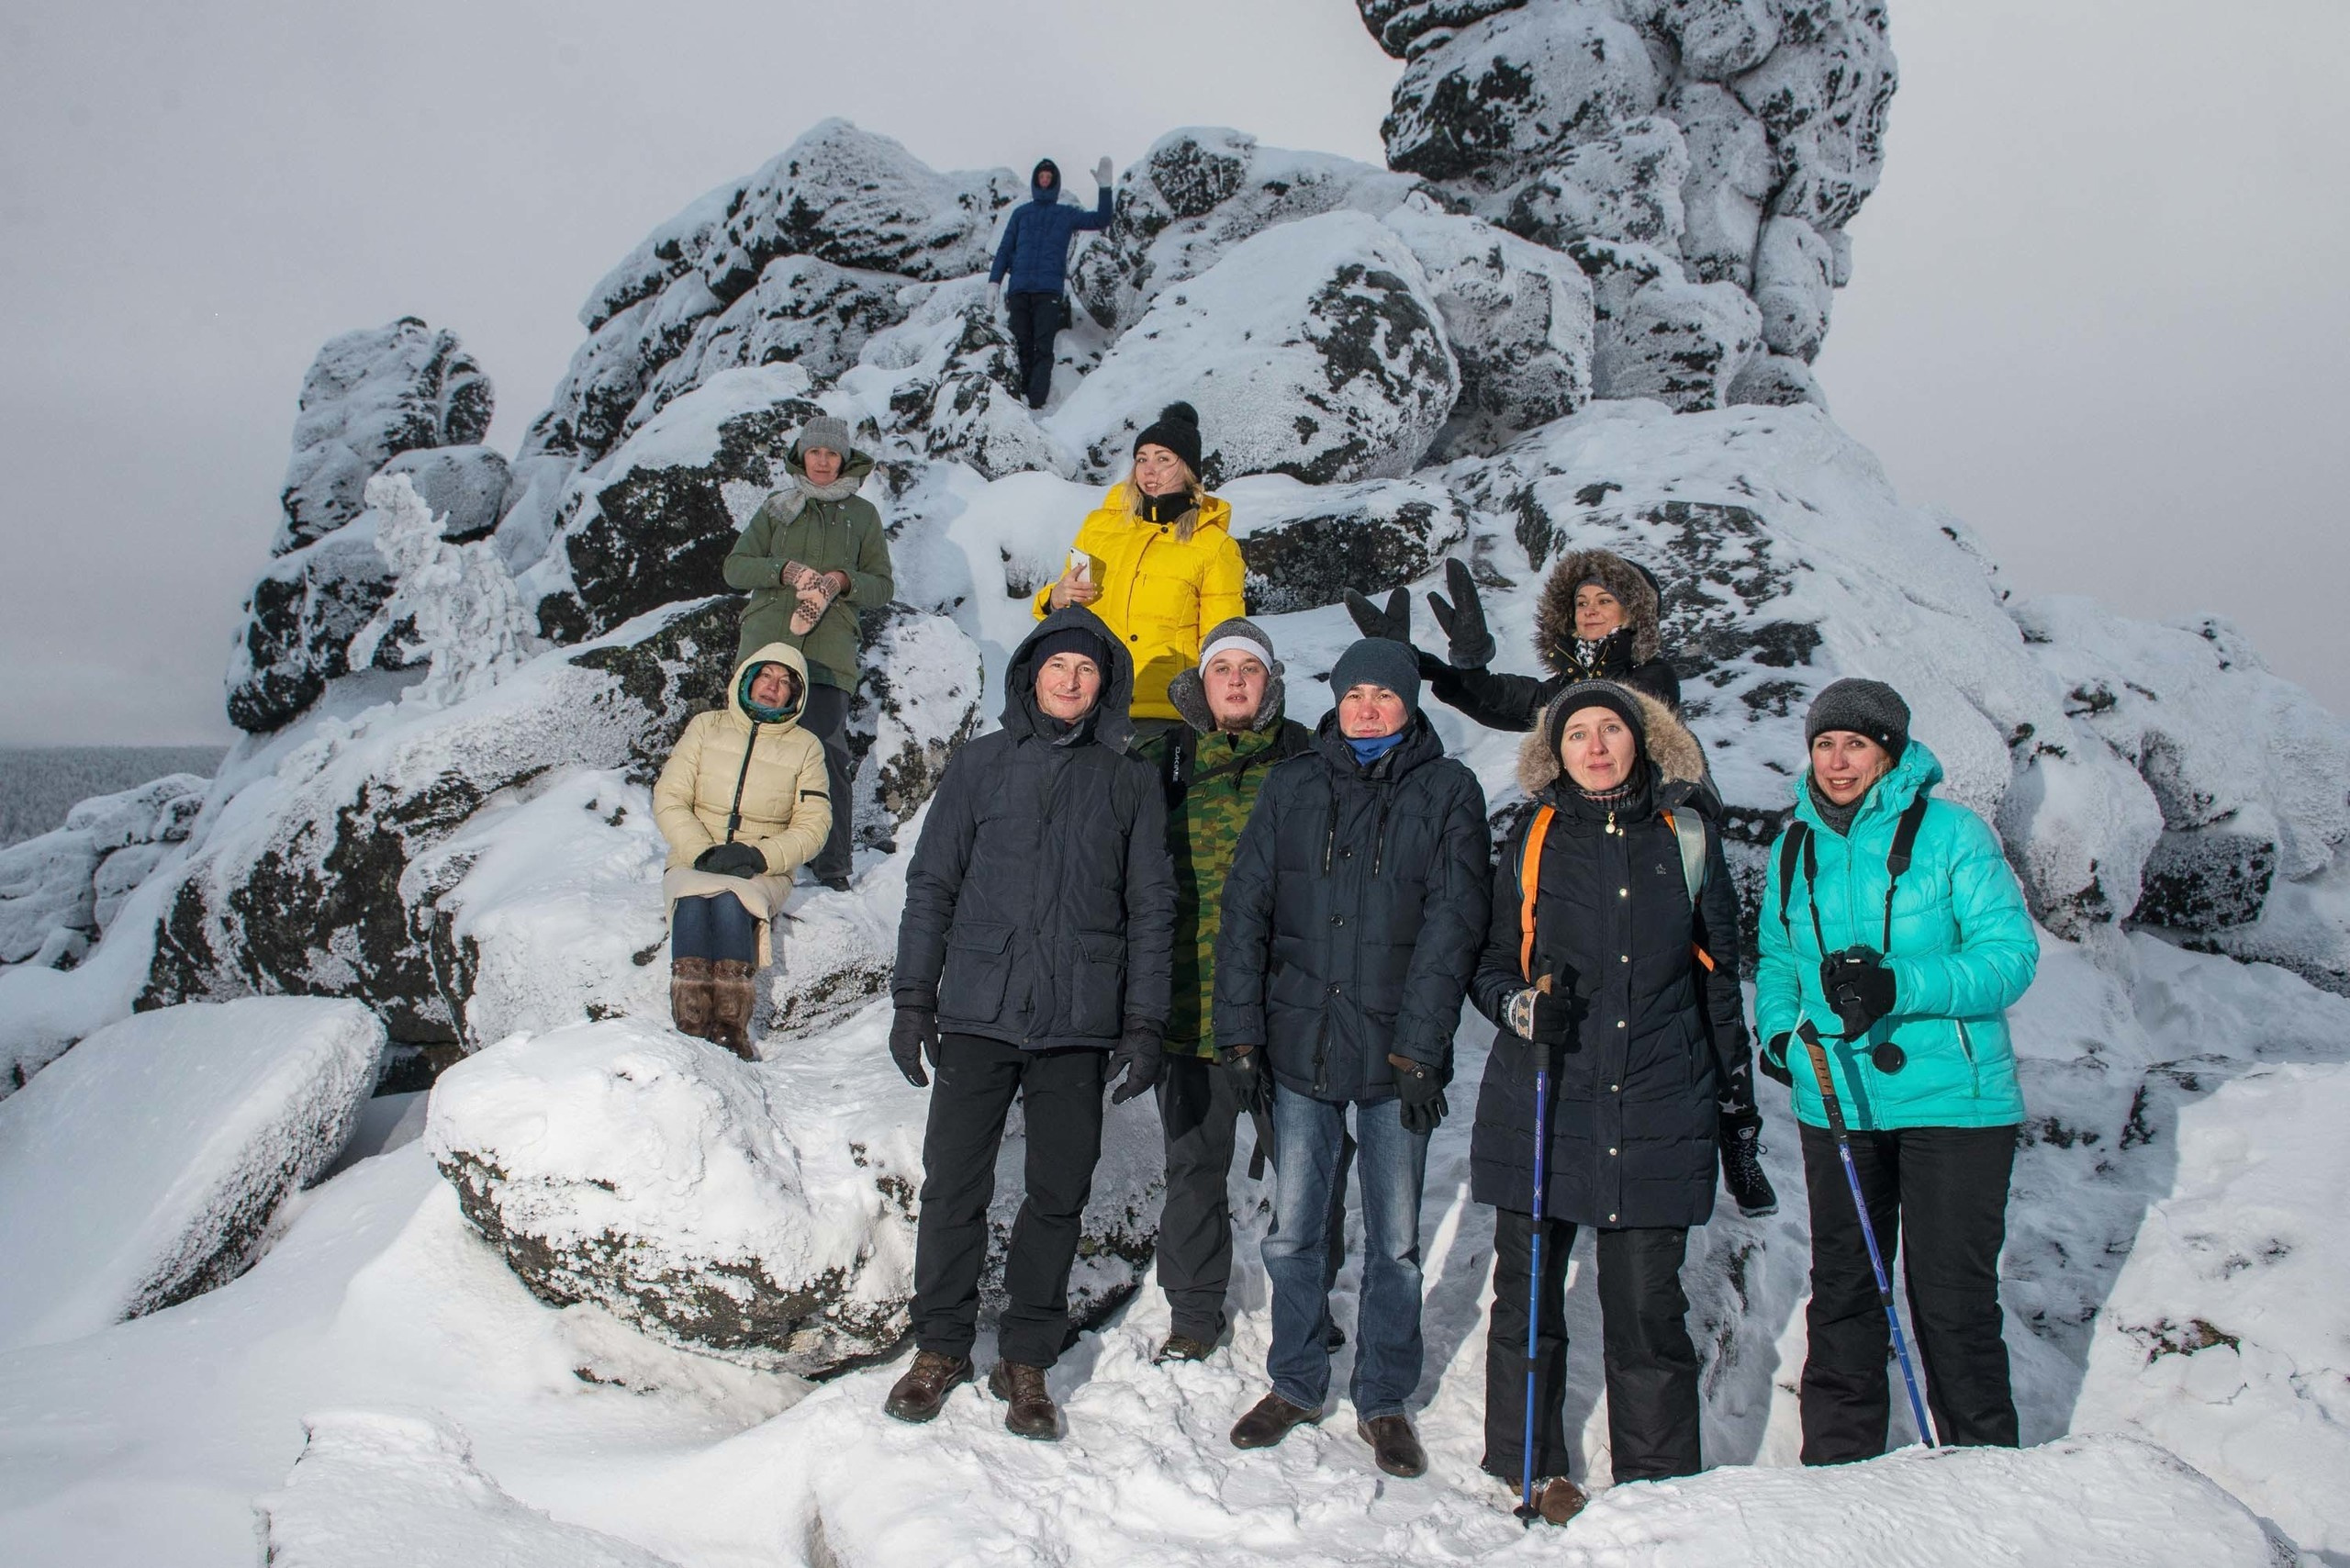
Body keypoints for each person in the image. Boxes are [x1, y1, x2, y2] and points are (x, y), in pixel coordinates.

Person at [1348, 550, 1776, 1221]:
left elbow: (1577, 710)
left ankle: (1737, 1132)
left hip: (1658, 843)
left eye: (1606, 600)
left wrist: (1465, 676)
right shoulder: (1570, 682)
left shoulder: (1650, 676)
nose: (1591, 611)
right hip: (1586, 846)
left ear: (1636, 612)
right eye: (1581, 603)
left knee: (1707, 990)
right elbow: (1514, 700)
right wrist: (1425, 666)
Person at [1466, 680, 1757, 1524]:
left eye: (1610, 731)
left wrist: (1734, 1099)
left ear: (1642, 740)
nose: (1594, 749)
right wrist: (1518, 1006)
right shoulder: (1534, 835)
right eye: (1576, 735)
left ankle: (1659, 1486)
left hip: (1660, 1097)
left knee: (1646, 1307)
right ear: (1554, 752)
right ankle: (1529, 1466)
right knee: (1528, 1297)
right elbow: (1490, 963)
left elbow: (1719, 980)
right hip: (1545, 1091)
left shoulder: (1687, 836)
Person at [881, 607, 1175, 1443]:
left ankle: (1027, 1359)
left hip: (1078, 1018)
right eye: (1058, 667)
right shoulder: (980, 765)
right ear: (1031, 676)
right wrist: (914, 1000)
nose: (1071, 680)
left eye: (1087, 670)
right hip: (980, 1007)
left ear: (1104, 684)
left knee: (1058, 1193)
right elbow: (932, 885)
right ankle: (941, 1346)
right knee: (953, 1186)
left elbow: (1152, 904)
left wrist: (1144, 1021)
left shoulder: (1128, 778)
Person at [1213, 638, 1491, 1480]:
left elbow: (1453, 925)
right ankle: (1296, 1381)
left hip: (1398, 1055)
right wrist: (1240, 1033)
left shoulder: (1448, 790)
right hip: (1302, 1044)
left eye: (1384, 695)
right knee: (1295, 1232)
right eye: (1354, 693)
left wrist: (1423, 1048)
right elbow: (1247, 907)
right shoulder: (1294, 783)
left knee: (1395, 1244)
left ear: (1410, 703)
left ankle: (1383, 1397)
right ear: (1336, 701)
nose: (1368, 708)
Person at [1755, 678, 2039, 1464]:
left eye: (1856, 744)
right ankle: (1838, 1474)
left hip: (1956, 1104)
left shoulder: (1953, 835)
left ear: (1890, 751)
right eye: (1824, 744)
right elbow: (1777, 960)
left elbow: (2010, 958)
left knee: (1952, 1301)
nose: (1838, 761)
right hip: (1838, 1097)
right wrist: (1780, 1037)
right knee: (1844, 1293)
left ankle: (1984, 1475)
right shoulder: (1794, 847)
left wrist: (1898, 984)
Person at [1133, 619, 1314, 1364]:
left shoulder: (1307, 759)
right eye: (1222, 668)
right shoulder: (1162, 759)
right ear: (1199, 683)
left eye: (1250, 668)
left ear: (1269, 682)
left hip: (1286, 1011)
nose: (1236, 680)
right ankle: (1194, 1311)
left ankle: (1307, 1305)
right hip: (1189, 1006)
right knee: (1193, 1168)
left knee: (1308, 1172)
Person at [722, 416, 893, 892]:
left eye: (831, 453)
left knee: (826, 755)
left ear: (844, 460)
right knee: (751, 749)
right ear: (802, 455)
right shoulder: (778, 507)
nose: (822, 461)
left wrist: (842, 580)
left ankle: (832, 866)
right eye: (814, 451)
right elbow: (735, 568)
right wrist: (783, 571)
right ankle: (742, 851)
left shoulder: (863, 516)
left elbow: (882, 586)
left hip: (827, 654)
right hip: (768, 646)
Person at [652, 644, 833, 1058]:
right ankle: (691, 1023)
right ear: (747, 679)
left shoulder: (805, 746)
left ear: (795, 695)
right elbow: (670, 796)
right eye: (766, 675)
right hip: (695, 856)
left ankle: (730, 1029)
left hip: (762, 867)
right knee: (693, 900)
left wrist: (758, 856)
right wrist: (702, 851)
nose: (773, 686)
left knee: (732, 902)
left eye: (785, 681)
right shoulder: (706, 727)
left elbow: (814, 824)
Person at [1036, 402, 1246, 737]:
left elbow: (1224, 644)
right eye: (1142, 459)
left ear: (1188, 470)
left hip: (1169, 713)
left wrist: (1223, 721)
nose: (1150, 470)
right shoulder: (1098, 528)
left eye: (1164, 459)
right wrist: (1055, 599)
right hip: (1095, 705)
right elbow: (1068, 618)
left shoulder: (1214, 545)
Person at [990, 155, 1116, 409]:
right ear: (1036, 181)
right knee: (1020, 345)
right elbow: (1004, 250)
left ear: (1055, 182)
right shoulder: (1021, 214)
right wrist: (994, 282)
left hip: (1048, 292)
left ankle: (1035, 403)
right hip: (1019, 290)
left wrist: (1105, 189)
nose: (1045, 180)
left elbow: (1100, 220)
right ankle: (1017, 399)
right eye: (1042, 177)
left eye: (1049, 177)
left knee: (1043, 348)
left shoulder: (1065, 214)